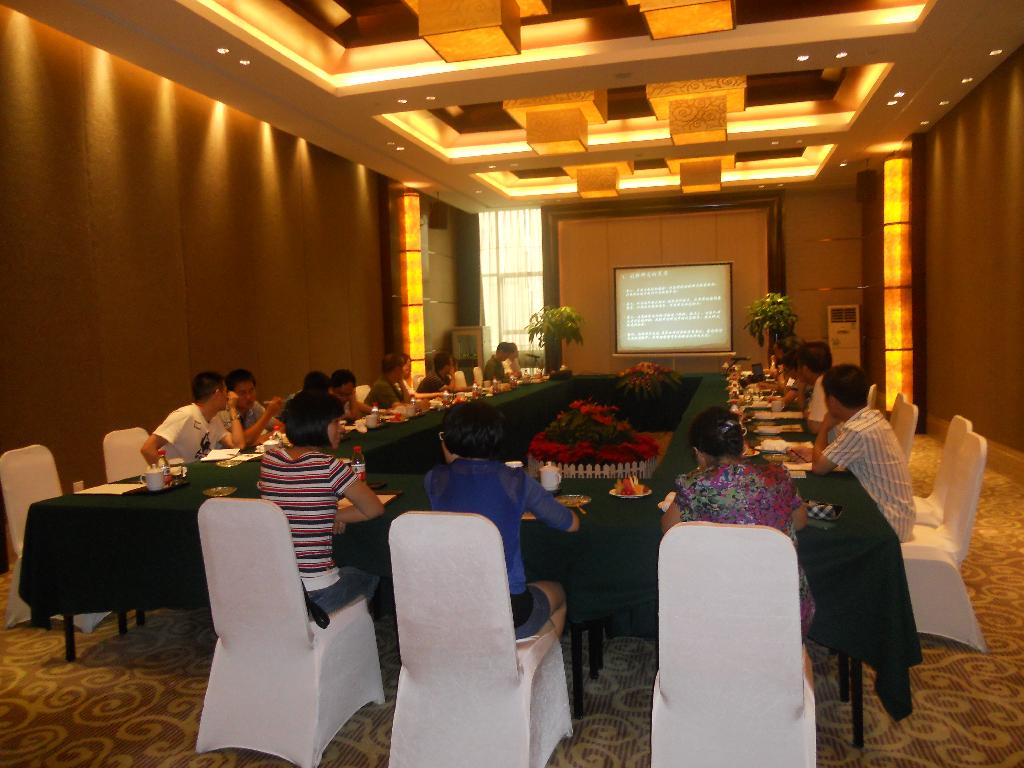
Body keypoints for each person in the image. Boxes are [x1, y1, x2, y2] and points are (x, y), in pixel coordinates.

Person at [425, 400, 579, 639]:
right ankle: (530, 661)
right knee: (558, 592)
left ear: (450, 440)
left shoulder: (434, 479)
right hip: (507, 608)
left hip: (450, 604)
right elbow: (570, 524)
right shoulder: (514, 481)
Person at [661, 405, 814, 636]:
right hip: (783, 609)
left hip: (719, 608)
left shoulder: (694, 486)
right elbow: (800, 521)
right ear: (743, 446)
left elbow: (670, 530)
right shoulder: (778, 476)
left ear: (699, 453)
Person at [258, 390, 384, 613]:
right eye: (335, 422)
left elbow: (292, 501)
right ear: (316, 424)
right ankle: (348, 627)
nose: (341, 428)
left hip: (277, 587)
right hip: (319, 594)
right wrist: (334, 515)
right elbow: (374, 508)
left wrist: (324, 514)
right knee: (372, 572)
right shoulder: (329, 466)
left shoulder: (270, 460)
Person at [809, 364, 915, 542]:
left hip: (887, 522)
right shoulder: (871, 418)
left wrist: (825, 426)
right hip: (894, 512)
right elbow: (834, 453)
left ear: (832, 401)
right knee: (819, 508)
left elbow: (819, 467)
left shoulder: (858, 430)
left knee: (814, 519)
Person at [141, 371, 244, 464]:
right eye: (226, 391)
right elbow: (147, 449)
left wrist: (232, 409)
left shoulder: (214, 419)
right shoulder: (184, 415)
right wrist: (167, 474)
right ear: (217, 394)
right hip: (179, 475)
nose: (229, 396)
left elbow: (238, 445)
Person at [223, 368, 283, 446]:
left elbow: (282, 428)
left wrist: (260, 439)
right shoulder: (224, 412)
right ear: (230, 395)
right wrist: (268, 414)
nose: (249, 397)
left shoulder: (254, 406)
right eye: (242, 393)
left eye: (251, 391)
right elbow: (242, 441)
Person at [796, 341, 833, 435]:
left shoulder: (822, 382)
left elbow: (816, 427)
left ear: (805, 369)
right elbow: (808, 413)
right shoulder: (829, 377)